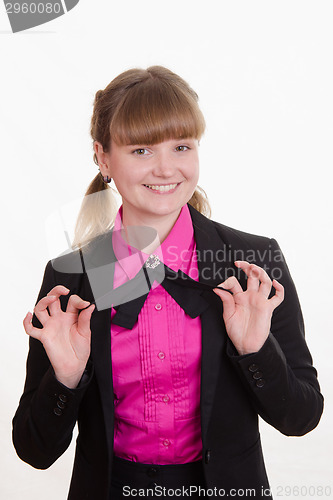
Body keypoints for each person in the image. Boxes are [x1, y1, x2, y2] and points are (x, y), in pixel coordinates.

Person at [12, 66, 323, 500]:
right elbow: (34, 449)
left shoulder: (252, 262)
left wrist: (256, 352)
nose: (165, 169)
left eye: (181, 146)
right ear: (103, 158)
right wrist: (65, 378)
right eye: (141, 150)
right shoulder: (73, 276)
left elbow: (302, 417)